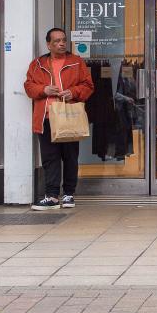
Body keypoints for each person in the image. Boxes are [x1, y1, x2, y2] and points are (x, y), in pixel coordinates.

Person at [25, 27, 94, 210]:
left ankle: (69, 194)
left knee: (70, 157)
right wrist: (44, 90)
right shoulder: (37, 64)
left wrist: (73, 92)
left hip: (68, 116)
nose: (61, 43)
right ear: (48, 44)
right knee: (49, 158)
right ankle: (52, 196)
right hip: (45, 118)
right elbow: (29, 87)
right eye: (56, 41)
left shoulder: (76, 62)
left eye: (63, 40)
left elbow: (88, 86)